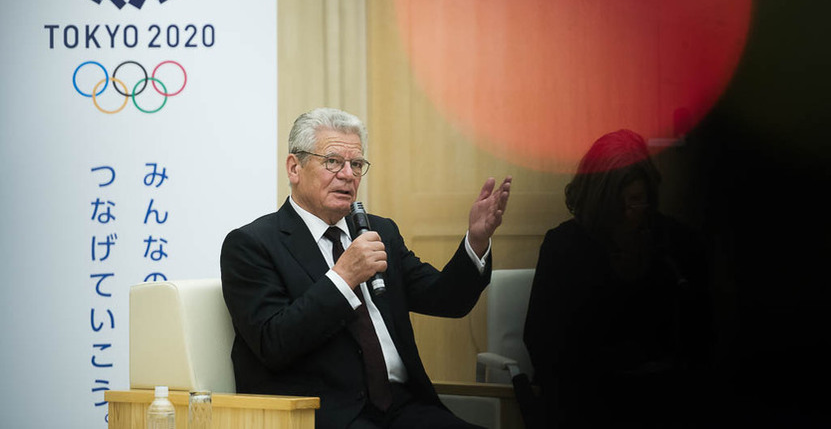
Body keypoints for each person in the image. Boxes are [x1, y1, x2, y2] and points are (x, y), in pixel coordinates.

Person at [220, 107, 512, 429]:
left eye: (356, 164)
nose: (347, 175)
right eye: (332, 161)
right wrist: (343, 278)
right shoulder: (252, 245)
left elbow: (448, 300)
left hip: (405, 408)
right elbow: (273, 343)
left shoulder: (378, 232)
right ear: (294, 167)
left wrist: (476, 241)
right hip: (326, 414)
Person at [523, 130, 713, 429]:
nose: (629, 214)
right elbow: (542, 343)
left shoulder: (676, 244)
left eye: (637, 201)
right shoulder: (565, 246)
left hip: (661, 397)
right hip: (584, 398)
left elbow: (703, 339)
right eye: (618, 205)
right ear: (598, 203)